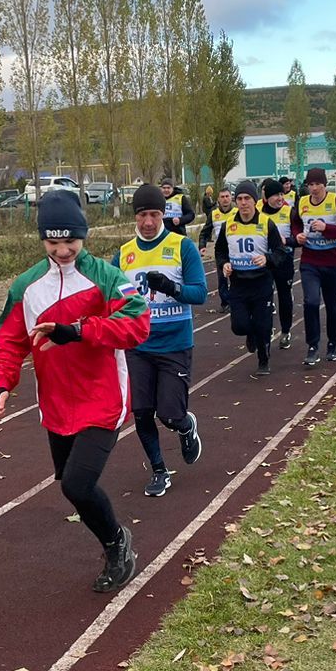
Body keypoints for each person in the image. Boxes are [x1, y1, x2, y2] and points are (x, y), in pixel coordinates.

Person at [0, 190, 151, 593]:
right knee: (72, 485)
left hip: (103, 400)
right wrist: (0, 383)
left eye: (70, 241)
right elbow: (7, 340)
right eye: (52, 242)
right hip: (57, 405)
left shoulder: (107, 278)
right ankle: (115, 539)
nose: (62, 250)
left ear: (84, 235)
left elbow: (138, 323)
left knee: (76, 484)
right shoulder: (26, 286)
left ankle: (117, 546)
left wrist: (79, 330)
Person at [117, 184, 207, 496]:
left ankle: (185, 426)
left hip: (174, 344)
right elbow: (114, 299)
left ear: (164, 214)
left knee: (169, 414)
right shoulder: (125, 254)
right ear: (135, 217)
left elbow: (200, 293)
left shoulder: (182, 246)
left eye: (155, 214)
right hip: (138, 347)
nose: (148, 222)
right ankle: (159, 470)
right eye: (143, 215)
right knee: (141, 412)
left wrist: (171, 287)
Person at [215, 179, 288, 377]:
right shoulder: (228, 225)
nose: (243, 202)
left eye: (247, 198)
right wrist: (224, 265)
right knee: (239, 326)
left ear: (255, 201)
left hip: (261, 282)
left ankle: (263, 359)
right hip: (238, 282)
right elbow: (220, 251)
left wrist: (267, 258)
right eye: (239, 198)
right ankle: (250, 335)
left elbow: (281, 252)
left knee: (263, 324)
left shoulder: (266, 223)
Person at [290, 167, 336, 366]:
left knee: (332, 305)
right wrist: (297, 235)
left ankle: (333, 342)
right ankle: (312, 346)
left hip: (333, 261)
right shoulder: (302, 202)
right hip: (310, 261)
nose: (314, 188)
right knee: (310, 302)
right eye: (310, 184)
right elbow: (294, 224)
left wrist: (327, 228)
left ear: (324, 185)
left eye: (317, 184)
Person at [259, 177, 297, 349]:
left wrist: (287, 240)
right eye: (276, 195)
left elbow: (298, 237)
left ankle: (286, 330)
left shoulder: (290, 212)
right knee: (264, 297)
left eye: (282, 194)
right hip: (265, 262)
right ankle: (266, 329)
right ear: (266, 198)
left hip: (284, 261)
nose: (280, 198)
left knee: (284, 296)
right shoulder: (258, 213)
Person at [198, 186, 236, 312]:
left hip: (236, 249)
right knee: (222, 279)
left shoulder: (237, 212)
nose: (225, 199)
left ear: (231, 198)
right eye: (222, 197)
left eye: (227, 196)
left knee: (237, 278)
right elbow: (205, 232)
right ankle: (225, 303)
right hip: (221, 251)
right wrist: (202, 246)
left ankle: (237, 301)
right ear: (218, 199)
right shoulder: (214, 214)